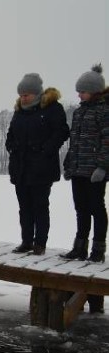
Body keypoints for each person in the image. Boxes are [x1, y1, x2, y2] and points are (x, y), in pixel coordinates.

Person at [5, 73, 70, 256]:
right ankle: (26, 241)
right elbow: (11, 133)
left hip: (42, 168)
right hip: (20, 167)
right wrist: (10, 147)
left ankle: (40, 243)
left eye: (26, 94)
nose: (23, 98)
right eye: (21, 95)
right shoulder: (19, 111)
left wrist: (45, 150)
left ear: (36, 93)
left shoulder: (52, 109)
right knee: (24, 206)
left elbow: (62, 132)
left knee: (40, 206)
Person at [61, 64, 108, 263]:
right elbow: (75, 141)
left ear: (94, 91)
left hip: (94, 171)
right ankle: (79, 247)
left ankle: (98, 249)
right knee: (81, 209)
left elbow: (107, 141)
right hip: (78, 169)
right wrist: (69, 163)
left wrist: (103, 167)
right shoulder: (79, 113)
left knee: (97, 208)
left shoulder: (104, 111)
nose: (79, 95)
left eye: (82, 92)